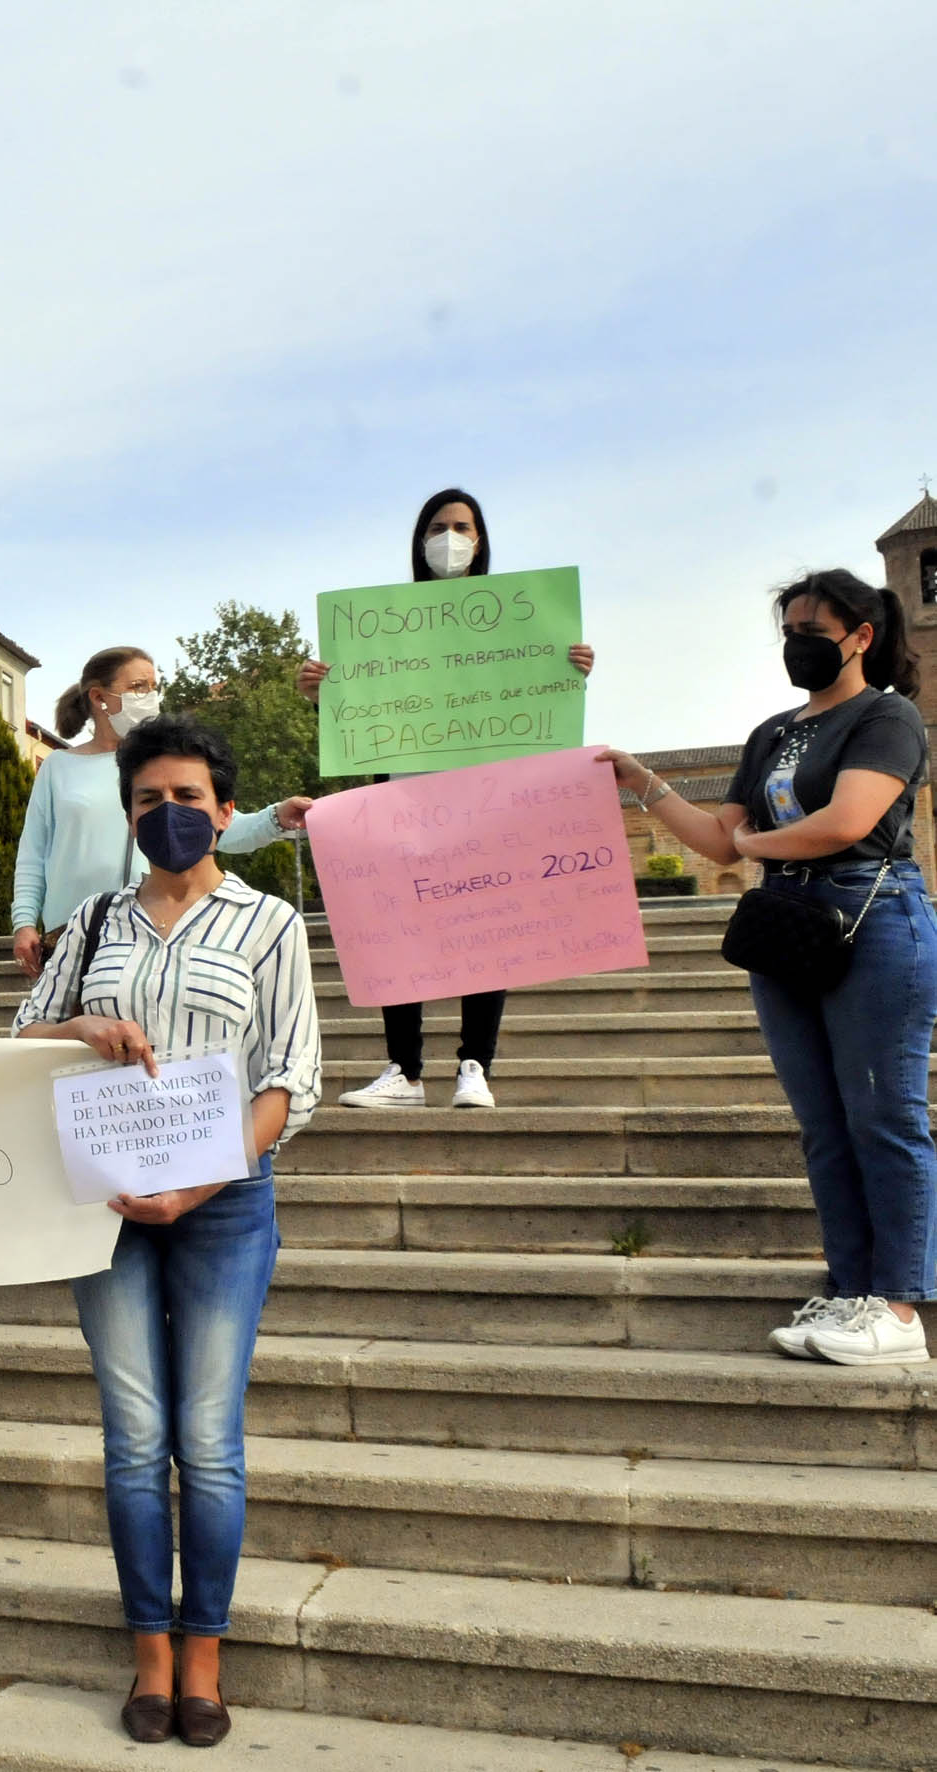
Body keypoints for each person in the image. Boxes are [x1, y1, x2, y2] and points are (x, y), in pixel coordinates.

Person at [11, 715, 322, 1747]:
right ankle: (148, 1650)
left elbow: (290, 1078)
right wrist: (79, 1025)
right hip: (101, 1202)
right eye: (148, 800)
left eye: (188, 797)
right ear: (128, 812)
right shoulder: (94, 919)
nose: (169, 814)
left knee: (208, 1439)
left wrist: (197, 1183)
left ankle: (205, 1653)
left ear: (223, 810)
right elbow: (18, 1040)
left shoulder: (269, 922)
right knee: (135, 1437)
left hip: (221, 1204)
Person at [605, 569, 933, 1368]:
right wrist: (641, 780)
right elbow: (718, 839)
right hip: (790, 926)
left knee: (883, 1117)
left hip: (871, 916)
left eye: (811, 632)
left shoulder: (885, 716)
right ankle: (852, 1290)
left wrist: (750, 845)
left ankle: (899, 1305)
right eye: (787, 631)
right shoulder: (770, 734)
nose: (796, 645)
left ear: (858, 637)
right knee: (823, 1129)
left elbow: (845, 821)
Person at [305, 488, 595, 1110]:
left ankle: (474, 1066)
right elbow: (359, 715)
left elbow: (542, 703)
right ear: (419, 539)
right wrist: (321, 695)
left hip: (486, 804)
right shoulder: (378, 625)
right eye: (438, 526)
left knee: (484, 933)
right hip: (403, 802)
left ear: (481, 538)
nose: (450, 537)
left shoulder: (528, 622)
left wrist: (566, 670)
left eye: (461, 526)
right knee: (398, 927)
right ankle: (404, 1071)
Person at [11, 647, 316, 977]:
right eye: (139, 687)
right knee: (69, 1026)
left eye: (154, 687)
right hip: (71, 933)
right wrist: (24, 921)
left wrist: (276, 817)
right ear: (99, 697)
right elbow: (33, 852)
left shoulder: (158, 768)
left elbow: (216, 827)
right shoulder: (57, 766)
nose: (150, 696)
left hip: (149, 928)